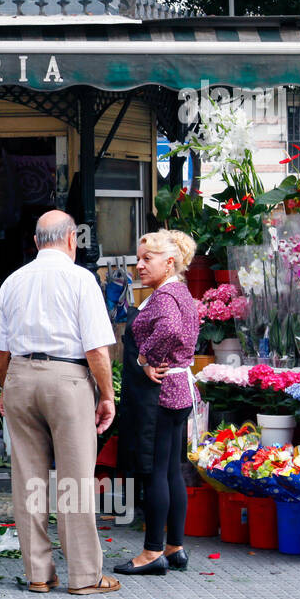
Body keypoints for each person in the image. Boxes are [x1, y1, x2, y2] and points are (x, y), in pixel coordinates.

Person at [0, 211, 119, 595]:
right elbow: (97, 348)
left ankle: (39, 575)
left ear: (36, 242)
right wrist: (107, 394)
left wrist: (7, 385)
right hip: (67, 380)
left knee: (28, 478)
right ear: (71, 240)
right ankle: (84, 576)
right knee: (75, 480)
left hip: (19, 377)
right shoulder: (81, 279)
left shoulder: (12, 281)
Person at [114, 230, 201, 577]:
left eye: (147, 258)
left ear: (170, 262)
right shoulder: (180, 292)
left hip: (163, 393)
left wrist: (145, 358)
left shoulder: (164, 298)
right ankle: (174, 547)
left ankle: (152, 552)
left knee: (155, 474)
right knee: (170, 471)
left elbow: (169, 330)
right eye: (139, 258)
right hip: (180, 388)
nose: (139, 265)